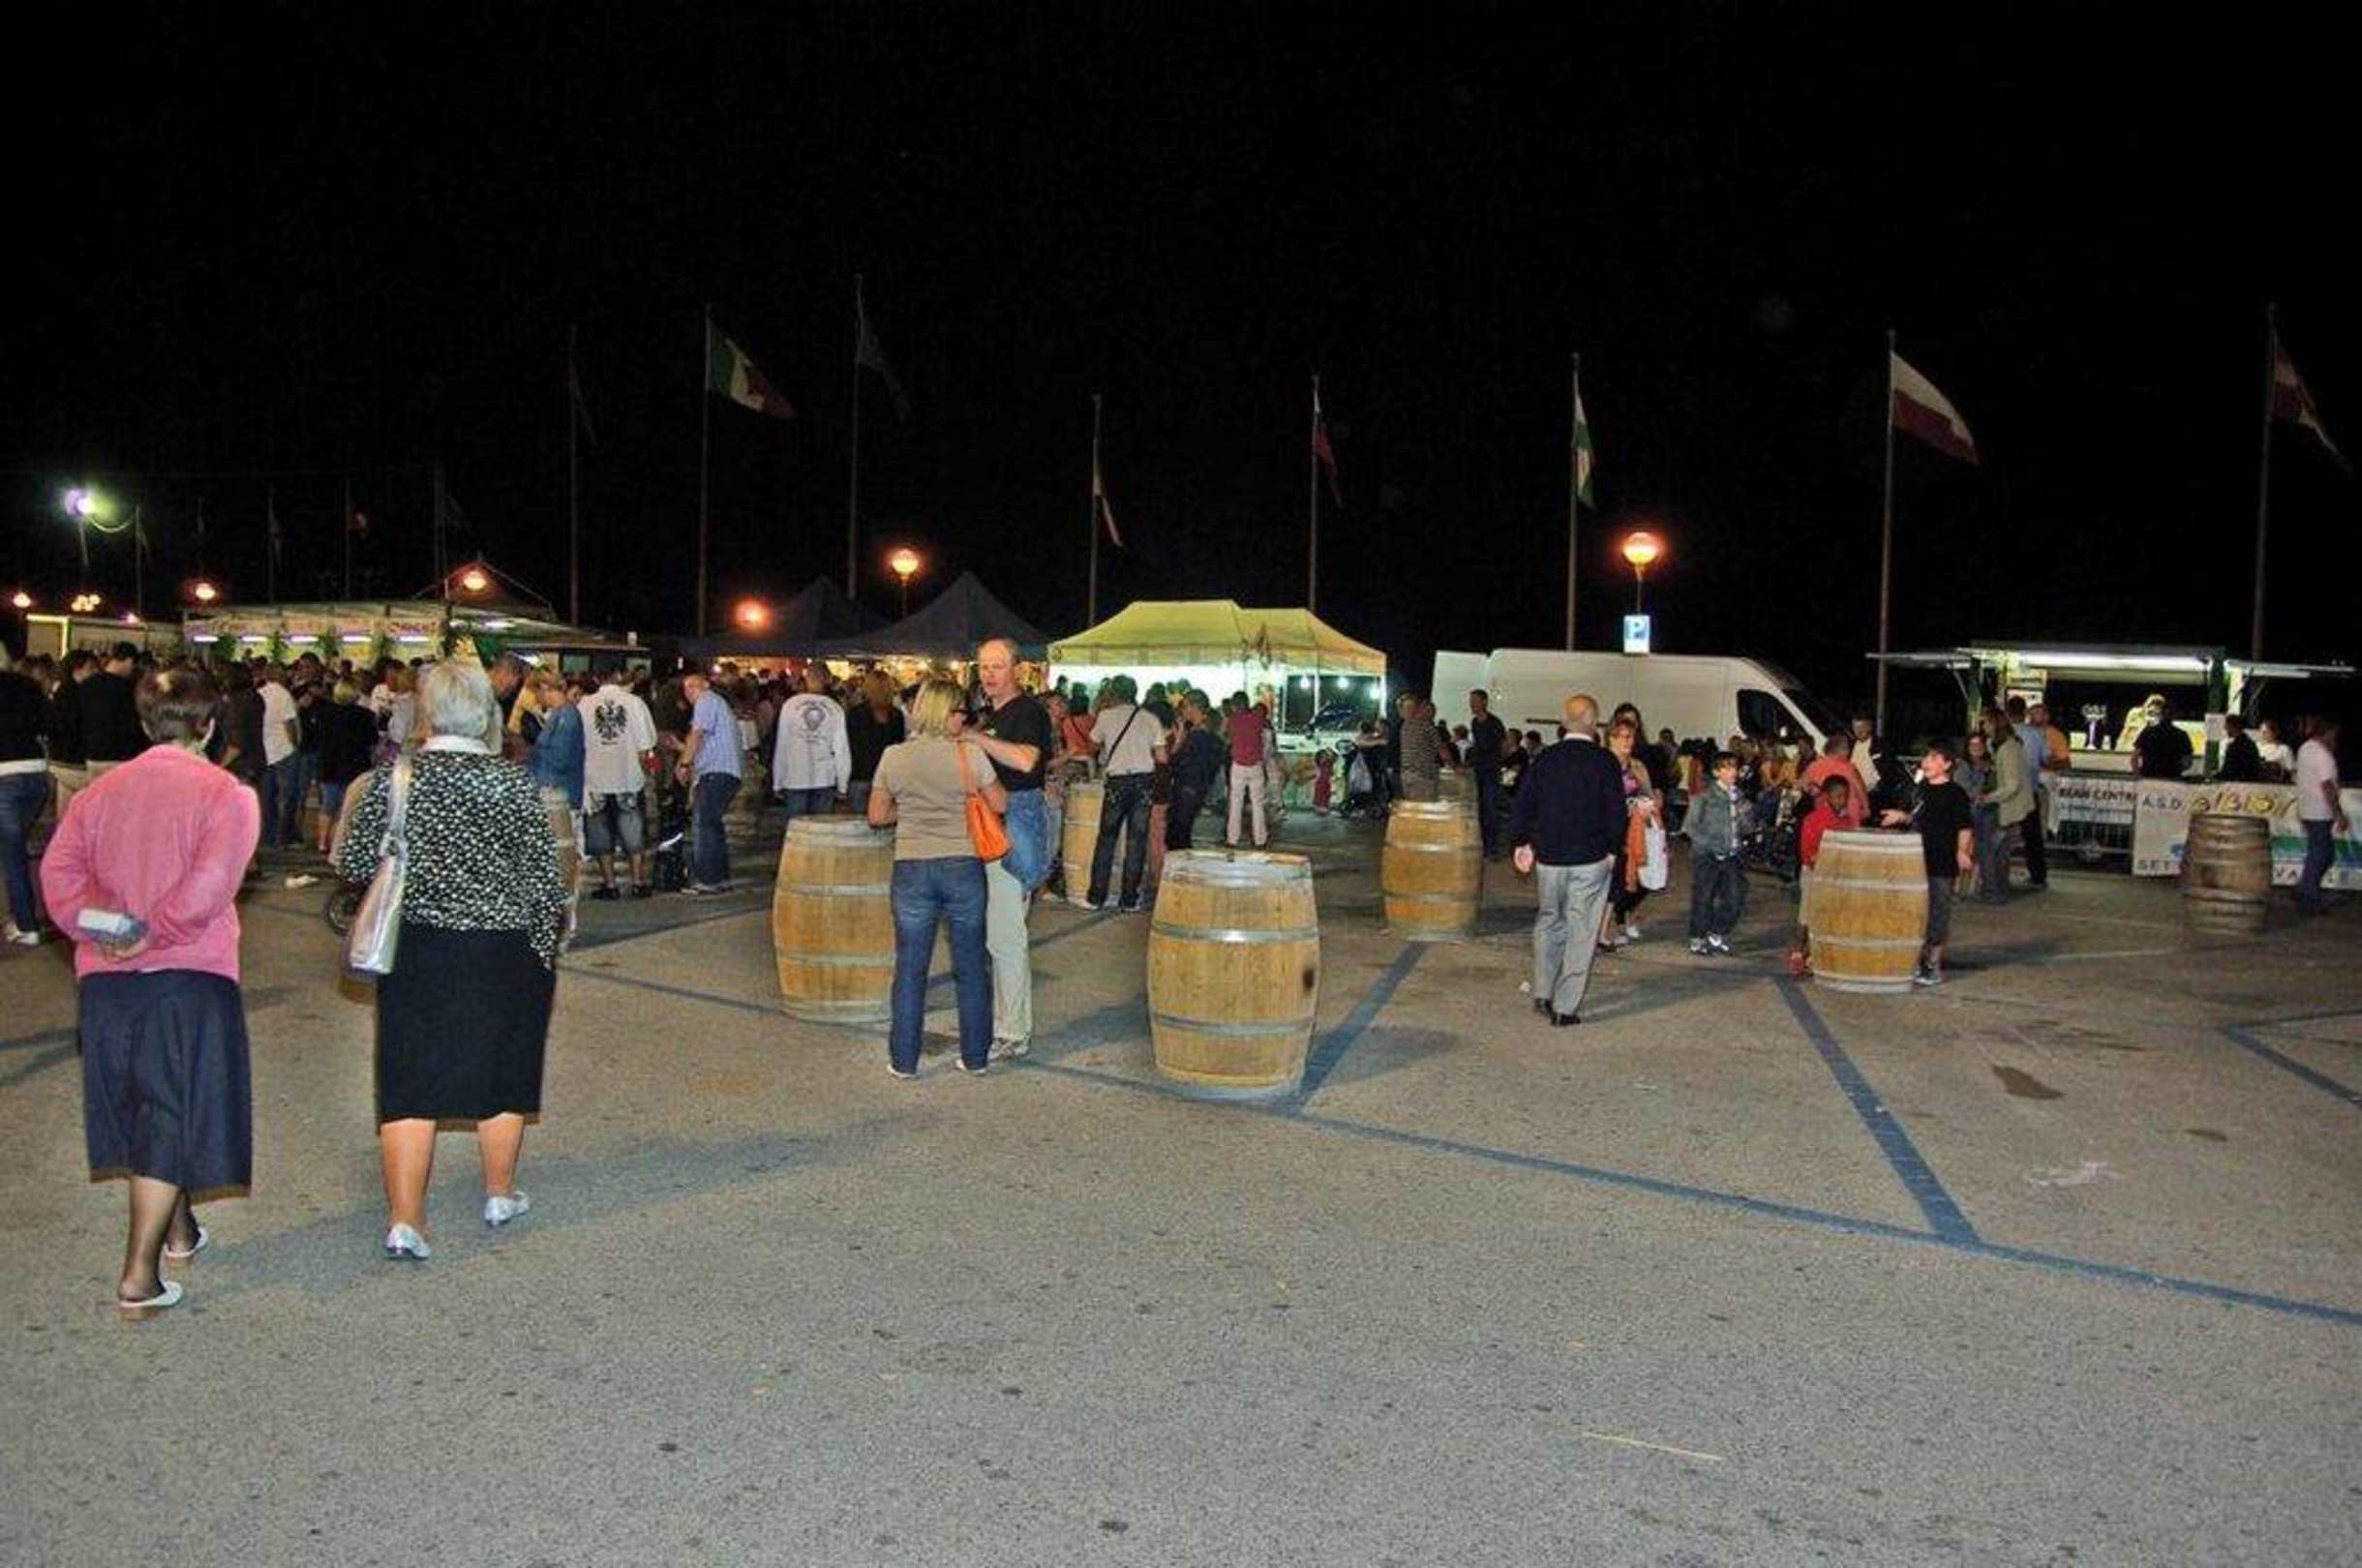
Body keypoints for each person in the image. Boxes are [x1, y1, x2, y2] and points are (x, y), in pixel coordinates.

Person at [40, 668, 260, 1311]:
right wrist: (154, 933)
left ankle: (181, 1230)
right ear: (209, 726)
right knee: (169, 1108)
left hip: (107, 979)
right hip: (189, 975)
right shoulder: (228, 796)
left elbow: (59, 877)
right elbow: (209, 887)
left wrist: (111, 928)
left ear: (143, 724)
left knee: (150, 1101)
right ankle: (139, 1275)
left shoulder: (97, 795)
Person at [334, 660, 569, 1259]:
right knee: (503, 1069)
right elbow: (544, 882)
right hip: (503, 948)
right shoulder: (513, 784)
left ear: (428, 714)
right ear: (486, 714)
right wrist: (545, 951)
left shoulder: (394, 780)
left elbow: (356, 864)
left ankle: (406, 1220)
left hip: (417, 948)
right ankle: (499, 1192)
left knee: (409, 1081)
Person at [868, 678, 1000, 1077]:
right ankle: (975, 1057)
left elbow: (877, 815)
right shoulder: (970, 754)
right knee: (971, 966)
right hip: (963, 867)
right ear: (945, 713)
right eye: (960, 711)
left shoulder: (894, 756)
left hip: (912, 867)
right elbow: (1000, 802)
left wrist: (909, 811)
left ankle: (904, 1061)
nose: (964, 719)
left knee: (910, 968)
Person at [959, 638, 1054, 1060]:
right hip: (992, 824)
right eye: (983, 666)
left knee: (1005, 935)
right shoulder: (993, 715)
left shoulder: (1028, 712)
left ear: (1017, 668)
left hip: (1013, 824)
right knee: (1000, 933)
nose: (989, 674)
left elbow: (1026, 761)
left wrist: (975, 738)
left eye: (997, 666)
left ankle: (1012, 1032)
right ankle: (1010, 1024)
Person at [1508, 694, 1626, 1026]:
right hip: (1590, 859)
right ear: (1594, 722)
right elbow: (1617, 813)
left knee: (1549, 922)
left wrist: (1520, 842)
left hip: (1550, 858)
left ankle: (1543, 992)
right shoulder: (1604, 762)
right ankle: (1565, 1008)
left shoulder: (1545, 759)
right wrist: (1613, 850)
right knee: (1582, 931)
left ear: (1564, 722)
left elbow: (1524, 804)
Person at [1881, 738, 1975, 986]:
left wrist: (1962, 851)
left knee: (1938, 912)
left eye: (1933, 758)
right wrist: (1901, 816)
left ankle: (1933, 964)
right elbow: (1918, 818)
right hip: (1917, 859)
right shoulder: (1920, 789)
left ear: (1947, 764)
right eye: (1926, 757)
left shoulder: (1956, 793)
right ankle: (1918, 959)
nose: (1926, 762)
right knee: (1916, 911)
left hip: (1942, 860)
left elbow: (1964, 826)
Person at [1086, 676, 1167, 912]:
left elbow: (1092, 746)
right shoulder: (1150, 718)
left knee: (1106, 839)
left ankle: (1096, 896)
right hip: (1144, 783)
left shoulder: (1105, 716)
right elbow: (1162, 758)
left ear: (1114, 693)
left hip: (1117, 783)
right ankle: (1129, 899)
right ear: (1135, 693)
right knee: (1136, 841)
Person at [579, 661, 658, 900]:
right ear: (619, 675)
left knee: (600, 834)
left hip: (595, 780)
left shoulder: (584, 704)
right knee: (633, 832)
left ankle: (610, 885)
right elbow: (646, 746)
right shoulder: (635, 703)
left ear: (596, 678)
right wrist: (648, 773)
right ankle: (638, 883)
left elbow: (578, 744)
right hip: (628, 778)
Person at [672, 671, 743, 893]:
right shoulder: (715, 704)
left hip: (716, 772)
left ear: (705, 685)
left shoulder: (707, 701)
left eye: (693, 686)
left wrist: (684, 764)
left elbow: (696, 735)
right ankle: (720, 878)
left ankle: (708, 880)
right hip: (724, 771)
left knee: (704, 825)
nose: (688, 692)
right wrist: (682, 750)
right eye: (685, 688)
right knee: (712, 825)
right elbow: (703, 743)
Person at [1, 648, 51, 946]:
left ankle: (26, 924)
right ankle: (24, 916)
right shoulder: (28, 685)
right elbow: (47, 724)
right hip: (35, 773)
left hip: (3, 775)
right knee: (15, 850)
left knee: (12, 853)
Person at [1601, 717, 1662, 949]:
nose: (1630, 741)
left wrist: (1649, 804)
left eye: (1632, 737)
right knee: (1607, 882)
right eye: (1625, 737)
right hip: (1607, 831)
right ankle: (1602, 929)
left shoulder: (1637, 766)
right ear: (1611, 738)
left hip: (1634, 831)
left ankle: (1609, 925)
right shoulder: (1601, 763)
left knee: (1629, 881)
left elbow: (1647, 793)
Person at [1681, 751, 1747, 956]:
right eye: (1727, 767)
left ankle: (1717, 932)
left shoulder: (1739, 797)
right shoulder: (1704, 797)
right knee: (1704, 897)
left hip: (1731, 854)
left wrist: (1746, 815)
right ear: (1716, 772)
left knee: (1736, 897)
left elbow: (1747, 827)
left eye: (1734, 767)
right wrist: (1711, 845)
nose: (1733, 772)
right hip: (1707, 855)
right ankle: (1698, 938)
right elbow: (1690, 827)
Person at [1789, 775, 1850, 977]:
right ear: (1826, 796)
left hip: (1832, 873)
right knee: (1806, 915)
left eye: (1845, 796)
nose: (1842, 800)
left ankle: (1811, 955)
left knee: (1821, 916)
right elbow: (1806, 852)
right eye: (1838, 796)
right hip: (1814, 872)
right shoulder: (1814, 819)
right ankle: (1798, 953)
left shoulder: (1845, 820)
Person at [772, 666, 851, 821]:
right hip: (825, 779)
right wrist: (843, 785)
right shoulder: (835, 708)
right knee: (820, 831)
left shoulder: (790, 705)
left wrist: (777, 781)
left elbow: (782, 746)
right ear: (827, 680)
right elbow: (841, 750)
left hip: (794, 777)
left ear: (807, 678)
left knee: (796, 830)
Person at [315, 679, 382, 854]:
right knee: (347, 807)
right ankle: (338, 843)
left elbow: (317, 739)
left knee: (327, 806)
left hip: (329, 764)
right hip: (355, 765)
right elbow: (372, 740)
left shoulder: (324, 714)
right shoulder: (365, 715)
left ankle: (322, 842)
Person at [2293, 716, 2347, 915]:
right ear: (2328, 732)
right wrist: (2338, 814)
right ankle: (2308, 896)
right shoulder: (2323, 755)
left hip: (2306, 808)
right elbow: (2327, 786)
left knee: (2320, 854)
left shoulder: (2305, 748)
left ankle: (2304, 888)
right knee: (2321, 855)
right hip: (2320, 811)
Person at [76, 643, 145, 777]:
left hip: (93, 755)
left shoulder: (87, 684)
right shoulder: (128, 688)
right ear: (129, 661)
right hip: (119, 756)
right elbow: (133, 724)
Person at [1167, 694, 1226, 853]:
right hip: (1198, 788)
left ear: (1194, 707)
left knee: (1177, 835)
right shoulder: (1209, 733)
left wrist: (1179, 740)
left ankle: (1180, 866)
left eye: (1185, 706)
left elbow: (1175, 762)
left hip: (1187, 787)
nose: (1182, 710)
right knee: (1182, 833)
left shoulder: (1197, 736)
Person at [844, 670, 906, 817]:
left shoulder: (855, 714)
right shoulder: (897, 715)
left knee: (859, 824)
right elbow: (899, 747)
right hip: (887, 777)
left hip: (860, 774)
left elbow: (849, 746)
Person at [2018, 699, 2065, 889]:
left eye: (2039, 713)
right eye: (2033, 713)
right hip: (2031, 787)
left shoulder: (2054, 735)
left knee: (2033, 831)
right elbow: (2046, 758)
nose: (2035, 716)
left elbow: (2062, 760)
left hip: (2033, 787)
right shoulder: (2035, 734)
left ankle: (2036, 873)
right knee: (2032, 833)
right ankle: (2037, 874)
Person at [44, 649, 92, 822]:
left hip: (58, 758)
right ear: (77, 669)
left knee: (64, 813)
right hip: (75, 760)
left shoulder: (60, 691)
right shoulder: (80, 694)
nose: (93, 673)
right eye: (90, 668)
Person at [1225, 687, 1272, 848]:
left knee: (1235, 803)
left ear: (1234, 705)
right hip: (1256, 765)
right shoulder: (1257, 718)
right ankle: (1260, 840)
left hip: (1238, 765)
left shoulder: (1232, 720)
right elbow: (1265, 733)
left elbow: (1229, 738)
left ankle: (1232, 839)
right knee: (1258, 804)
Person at [1467, 688, 1507, 857]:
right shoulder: (1474, 723)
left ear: (1484, 702)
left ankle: (1492, 847)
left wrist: (1496, 762)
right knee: (1480, 808)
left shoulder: (1494, 723)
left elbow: (1503, 745)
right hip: (1478, 770)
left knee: (1490, 808)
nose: (1472, 705)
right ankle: (1482, 844)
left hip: (1490, 771)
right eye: (1470, 702)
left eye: (1475, 701)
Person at [1800, 734, 1869, 829]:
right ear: (1840, 750)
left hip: (1824, 813)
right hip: (1850, 815)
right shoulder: (1849, 768)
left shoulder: (1813, 766)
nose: (1849, 752)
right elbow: (1860, 788)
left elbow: (1804, 786)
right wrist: (1866, 808)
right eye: (1847, 749)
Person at [2132, 699, 2194, 780]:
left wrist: (2138, 776)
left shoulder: (2148, 732)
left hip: (2149, 778)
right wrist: (2175, 769)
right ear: (2174, 715)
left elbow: (2134, 758)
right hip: (2172, 779)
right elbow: (2187, 763)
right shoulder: (2181, 735)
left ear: (2161, 714)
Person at [1397, 692, 1441, 802]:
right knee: (1423, 807)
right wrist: (1454, 766)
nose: (1431, 714)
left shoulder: (1405, 726)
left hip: (1407, 775)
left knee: (1412, 807)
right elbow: (1441, 749)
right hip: (1423, 776)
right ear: (1420, 709)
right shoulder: (1427, 727)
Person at [2215, 713, 2263, 783]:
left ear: (2232, 727)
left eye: (2226, 726)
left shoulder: (2235, 746)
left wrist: (2216, 777)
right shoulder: (2250, 743)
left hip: (2238, 782)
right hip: (2250, 781)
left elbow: (2230, 769)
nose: (2225, 729)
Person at [2255, 718, 2296, 782]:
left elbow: (2291, 769)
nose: (2262, 734)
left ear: (2275, 732)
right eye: (2261, 731)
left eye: (2265, 732)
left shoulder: (2284, 749)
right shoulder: (2256, 746)